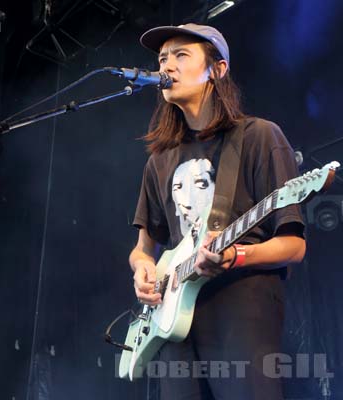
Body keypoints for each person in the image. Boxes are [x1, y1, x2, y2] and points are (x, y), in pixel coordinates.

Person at [129, 23, 306, 399]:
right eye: (162, 58)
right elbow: (143, 248)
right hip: (174, 322)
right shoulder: (159, 161)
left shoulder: (260, 136)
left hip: (241, 309)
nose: (167, 67)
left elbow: (294, 246)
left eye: (181, 55)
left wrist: (237, 255)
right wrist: (142, 269)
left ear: (218, 69)